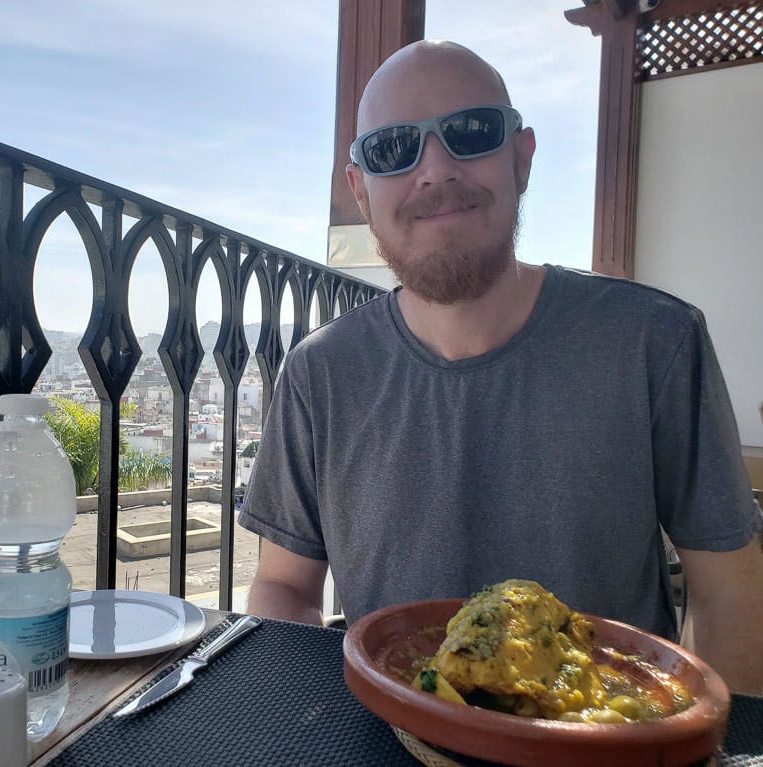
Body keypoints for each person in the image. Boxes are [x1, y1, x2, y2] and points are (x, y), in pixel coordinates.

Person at [237, 40, 763, 694]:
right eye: (393, 149)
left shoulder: (654, 342)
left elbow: (729, 591)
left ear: (522, 157)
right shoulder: (320, 374)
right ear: (360, 192)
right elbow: (284, 586)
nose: (433, 170)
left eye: (469, 133)